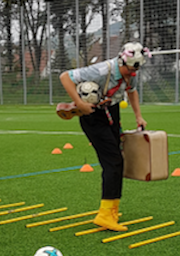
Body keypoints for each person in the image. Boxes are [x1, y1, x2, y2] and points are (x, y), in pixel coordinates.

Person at [59, 42, 150, 232]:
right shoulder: (101, 71)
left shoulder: (131, 73)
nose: (132, 74)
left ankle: (112, 210)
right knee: (113, 161)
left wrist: (138, 116)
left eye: (135, 71)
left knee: (117, 161)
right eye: (130, 70)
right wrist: (79, 104)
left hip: (112, 112)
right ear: (122, 62)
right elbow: (65, 77)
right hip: (93, 116)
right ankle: (104, 215)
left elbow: (132, 92)